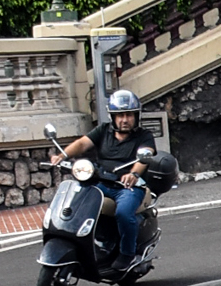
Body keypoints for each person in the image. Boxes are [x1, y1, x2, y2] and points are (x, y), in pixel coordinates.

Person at [54, 89, 166, 265]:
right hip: (100, 182)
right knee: (75, 201)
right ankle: (85, 245)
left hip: (128, 187)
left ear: (136, 116)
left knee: (123, 213)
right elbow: (83, 143)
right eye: (120, 115)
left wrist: (133, 174)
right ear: (113, 117)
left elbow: (146, 156)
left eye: (129, 115)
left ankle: (127, 254)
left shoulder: (144, 135)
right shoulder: (103, 131)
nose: (124, 120)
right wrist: (62, 156)